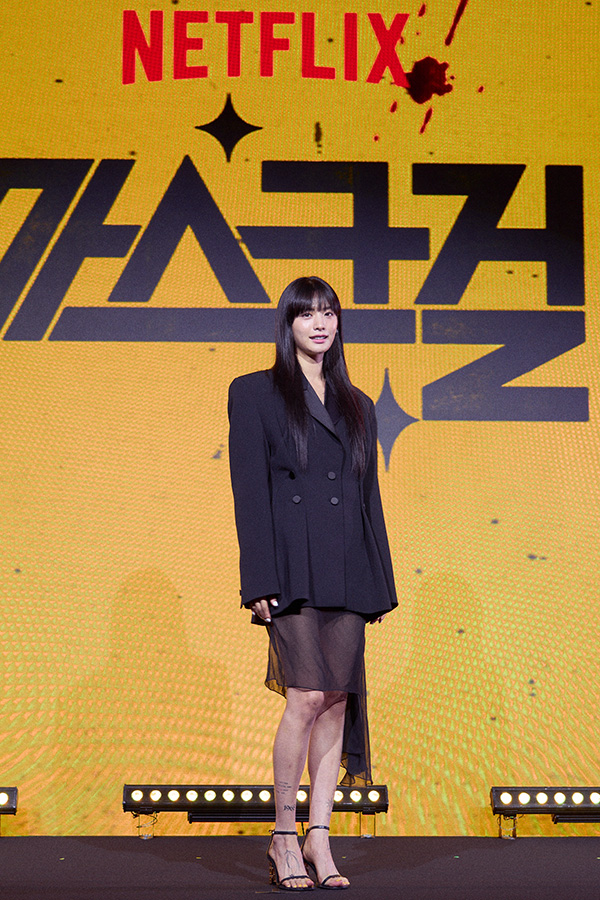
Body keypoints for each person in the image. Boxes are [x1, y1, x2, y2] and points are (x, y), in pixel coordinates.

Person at [228, 276, 397, 891]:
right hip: (291, 566)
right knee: (305, 695)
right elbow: (249, 491)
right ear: (289, 324)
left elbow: (366, 497)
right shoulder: (253, 392)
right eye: (307, 315)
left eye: (329, 313)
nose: (320, 324)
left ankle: (319, 838)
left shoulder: (359, 404)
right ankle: (282, 836)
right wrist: (258, 579)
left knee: (336, 700)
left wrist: (379, 578)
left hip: (348, 566)